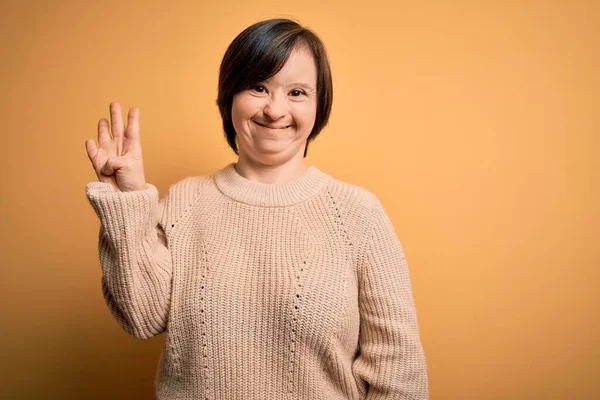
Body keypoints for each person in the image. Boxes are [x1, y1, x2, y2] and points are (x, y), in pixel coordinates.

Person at [84, 18, 429, 400]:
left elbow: (399, 374)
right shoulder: (185, 201)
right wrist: (126, 202)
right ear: (230, 95)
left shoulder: (358, 213)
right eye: (258, 87)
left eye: (297, 92)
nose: (275, 109)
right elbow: (141, 317)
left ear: (319, 106)